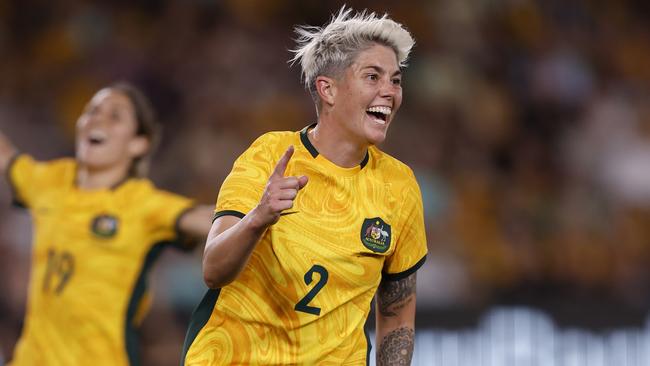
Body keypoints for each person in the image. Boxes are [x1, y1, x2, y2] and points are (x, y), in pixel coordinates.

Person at [182, 7, 427, 365]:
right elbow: (213, 271)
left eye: (395, 80)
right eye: (373, 77)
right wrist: (258, 218)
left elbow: (397, 313)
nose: (389, 91)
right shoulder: (269, 155)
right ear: (327, 89)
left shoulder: (399, 184)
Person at [0, 82, 213, 366]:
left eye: (115, 115)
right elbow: (6, 157)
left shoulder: (142, 203)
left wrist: (264, 211)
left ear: (139, 143)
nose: (98, 118)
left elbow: (211, 219)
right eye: (92, 111)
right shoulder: (51, 180)